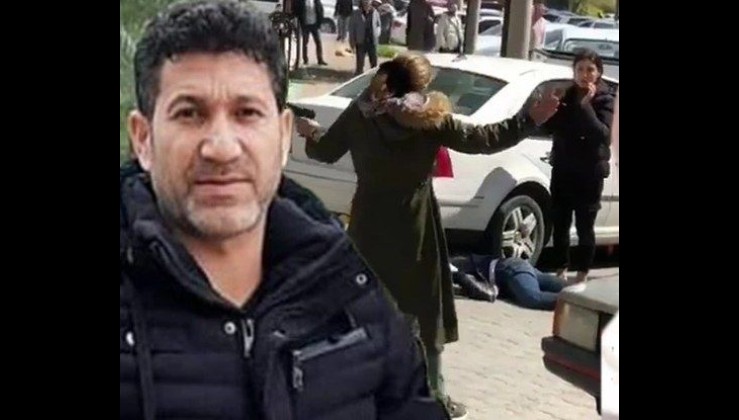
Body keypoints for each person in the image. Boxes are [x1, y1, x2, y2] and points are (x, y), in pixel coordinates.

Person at [120, 2, 451, 419]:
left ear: (282, 137)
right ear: (143, 139)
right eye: (189, 113)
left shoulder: (348, 290)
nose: (221, 147)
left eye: (247, 113)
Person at [295, 53, 559, 419]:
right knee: (426, 311)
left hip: (368, 224)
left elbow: (325, 150)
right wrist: (529, 119)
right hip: (414, 227)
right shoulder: (430, 119)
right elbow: (484, 139)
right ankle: (434, 395)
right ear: (421, 85)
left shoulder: (361, 113)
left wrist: (310, 132)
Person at [541, 49, 615, 283]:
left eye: (590, 70)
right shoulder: (567, 95)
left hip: (589, 172)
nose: (585, 74)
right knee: (560, 222)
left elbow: (603, 134)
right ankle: (560, 269)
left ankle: (582, 273)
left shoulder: (605, 99)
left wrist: (585, 106)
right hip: (564, 169)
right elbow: (549, 126)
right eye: (580, 69)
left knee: (585, 225)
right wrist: (549, 106)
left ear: (598, 72)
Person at [450, 255, 566, 310]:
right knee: (564, 286)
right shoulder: (452, 265)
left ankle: (571, 303)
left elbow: (486, 292)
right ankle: (575, 294)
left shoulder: (450, 268)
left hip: (509, 270)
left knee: (531, 298)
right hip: (515, 268)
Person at [350, 0, 382, 75]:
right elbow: (352, 28)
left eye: (368, 2)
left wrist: (377, 34)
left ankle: (374, 76)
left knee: (374, 61)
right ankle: (359, 76)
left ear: (370, 3)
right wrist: (352, 41)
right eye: (364, 2)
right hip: (361, 40)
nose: (366, 3)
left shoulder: (375, 12)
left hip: (372, 41)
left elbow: (378, 25)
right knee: (360, 62)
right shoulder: (356, 13)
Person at [294, 0, 328, 65]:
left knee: (318, 42)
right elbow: (298, 11)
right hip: (305, 25)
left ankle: (320, 59)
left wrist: (319, 23)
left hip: (315, 25)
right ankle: (305, 59)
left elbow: (320, 10)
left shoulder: (316, 1)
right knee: (305, 43)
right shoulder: (302, 2)